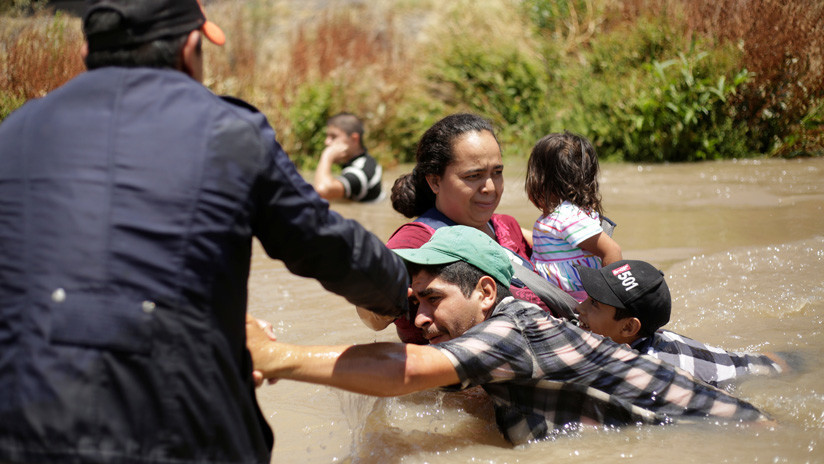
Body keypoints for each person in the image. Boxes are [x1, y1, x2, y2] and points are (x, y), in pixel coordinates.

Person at [0, 2, 408, 464]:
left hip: (19, 425)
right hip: (178, 432)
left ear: (86, 50)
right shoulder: (228, 131)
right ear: (191, 47)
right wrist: (399, 288)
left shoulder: (14, 133)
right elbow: (329, 248)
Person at [248, 226, 769, 446]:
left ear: (485, 292)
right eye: (414, 305)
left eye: (433, 300)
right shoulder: (489, 342)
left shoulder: (514, 326)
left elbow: (401, 371)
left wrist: (273, 355)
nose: (421, 321)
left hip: (727, 435)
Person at [372, 113, 578, 343]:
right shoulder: (415, 242)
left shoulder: (506, 226)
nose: (490, 187)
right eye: (474, 176)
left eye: (497, 173)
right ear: (435, 181)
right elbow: (373, 314)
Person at [575, 260, 792, 386]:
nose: (579, 308)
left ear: (629, 327)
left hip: (769, 373)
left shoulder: (654, 370)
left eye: (594, 303)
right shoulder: (636, 339)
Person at [525, 131, 622, 302]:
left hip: (578, 302)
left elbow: (612, 251)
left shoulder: (567, 216)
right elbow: (544, 243)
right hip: (564, 300)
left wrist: (604, 303)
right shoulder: (555, 218)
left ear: (542, 180)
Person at [313, 112, 384, 202]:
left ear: (354, 139)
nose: (327, 142)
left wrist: (327, 156)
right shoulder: (365, 161)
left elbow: (323, 190)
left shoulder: (360, 171)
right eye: (327, 136)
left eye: (333, 137)